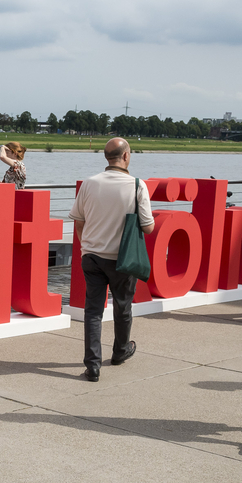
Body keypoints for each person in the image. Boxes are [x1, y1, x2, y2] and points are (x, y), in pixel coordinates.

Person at [68, 138, 155, 382]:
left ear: (106, 157)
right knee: (122, 306)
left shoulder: (89, 183)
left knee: (93, 312)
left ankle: (93, 366)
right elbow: (148, 228)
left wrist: (86, 247)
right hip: (122, 259)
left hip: (92, 257)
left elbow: (79, 221)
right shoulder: (137, 185)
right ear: (126, 156)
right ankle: (120, 351)